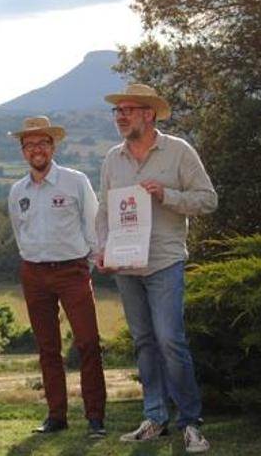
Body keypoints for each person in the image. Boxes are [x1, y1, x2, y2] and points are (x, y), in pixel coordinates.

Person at [97, 84, 216, 453]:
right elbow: (103, 211)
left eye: (127, 110)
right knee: (145, 343)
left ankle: (191, 423)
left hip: (164, 260)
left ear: (149, 114)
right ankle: (154, 418)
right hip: (125, 265)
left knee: (169, 340)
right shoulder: (112, 159)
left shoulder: (178, 151)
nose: (120, 116)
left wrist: (167, 196)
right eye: (116, 111)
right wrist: (101, 250)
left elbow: (208, 200)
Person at [6, 117, 107, 438]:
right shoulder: (16, 190)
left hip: (73, 271)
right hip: (34, 274)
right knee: (48, 348)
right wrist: (33, 262)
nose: (37, 149)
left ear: (53, 146)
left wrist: (84, 266)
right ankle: (56, 416)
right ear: (23, 152)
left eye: (42, 143)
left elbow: (93, 226)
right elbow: (19, 234)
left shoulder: (75, 181)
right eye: (30, 145)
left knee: (88, 342)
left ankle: (95, 417)